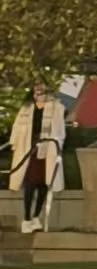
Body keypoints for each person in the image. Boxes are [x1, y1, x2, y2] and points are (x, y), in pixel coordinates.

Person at [7, 82, 66, 234]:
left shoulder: (55, 108)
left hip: (47, 149)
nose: (38, 92)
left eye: (41, 89)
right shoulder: (26, 108)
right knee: (30, 183)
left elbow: (60, 130)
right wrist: (14, 144)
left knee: (43, 184)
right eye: (36, 90)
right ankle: (26, 218)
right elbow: (16, 129)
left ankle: (35, 217)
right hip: (29, 148)